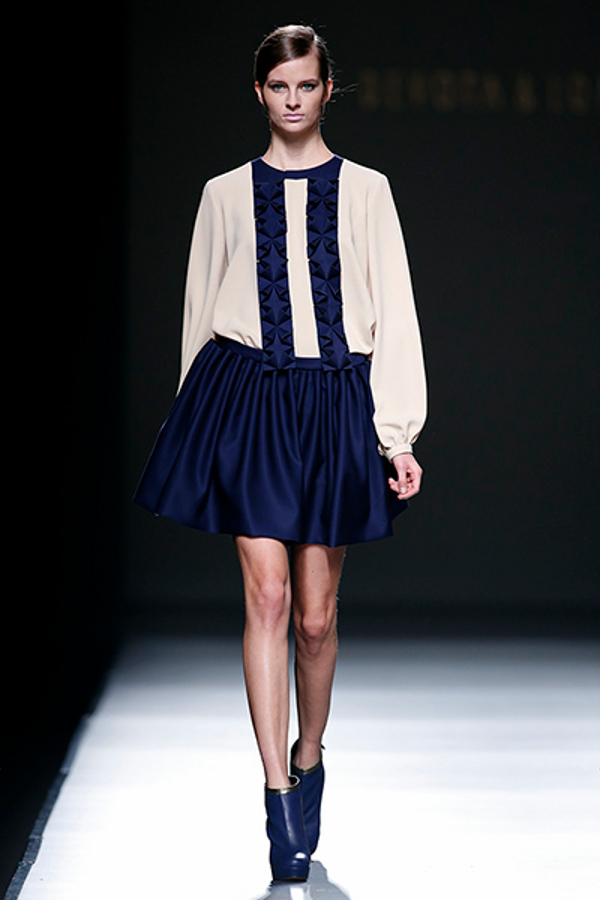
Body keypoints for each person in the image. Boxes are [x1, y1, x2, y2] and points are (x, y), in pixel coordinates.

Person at [134, 24, 426, 884]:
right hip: (247, 399)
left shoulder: (368, 191)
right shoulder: (223, 194)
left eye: (306, 85)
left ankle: (310, 753)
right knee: (265, 595)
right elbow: (199, 312)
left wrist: (397, 433)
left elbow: (396, 311)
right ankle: (276, 793)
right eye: (278, 86)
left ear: (328, 90)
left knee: (315, 615)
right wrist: (193, 430)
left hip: (335, 401)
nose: (292, 100)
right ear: (258, 93)